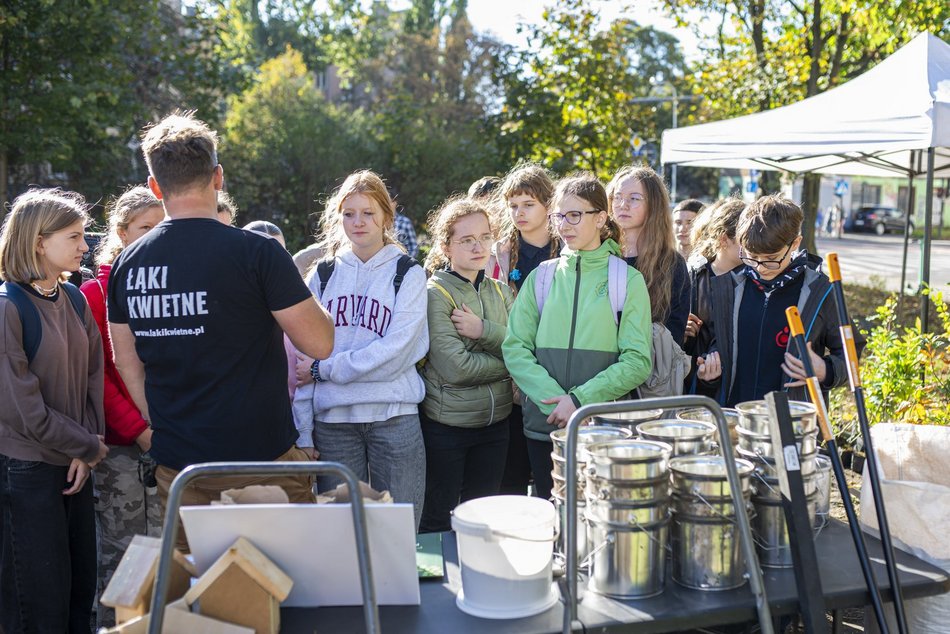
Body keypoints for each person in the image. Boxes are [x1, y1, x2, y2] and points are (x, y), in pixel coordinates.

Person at [107, 112, 334, 528]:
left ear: (155, 187)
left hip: (181, 465)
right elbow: (320, 344)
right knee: (285, 585)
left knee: (198, 585)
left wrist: (161, 427)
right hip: (264, 462)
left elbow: (127, 362)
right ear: (218, 177)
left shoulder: (126, 264)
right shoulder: (258, 253)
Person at [291, 170, 428, 529]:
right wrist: (303, 431)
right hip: (333, 426)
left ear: (386, 215)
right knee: (339, 536)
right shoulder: (321, 275)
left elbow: (396, 352)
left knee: (398, 534)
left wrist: (328, 370)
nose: (358, 222)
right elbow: (302, 361)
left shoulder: (407, 273)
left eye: (368, 212)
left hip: (393, 418)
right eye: (349, 213)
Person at [503, 174, 652, 501]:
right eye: (559, 216)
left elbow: (638, 360)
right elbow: (515, 348)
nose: (565, 225)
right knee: (549, 522)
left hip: (601, 430)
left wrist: (580, 401)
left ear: (600, 218)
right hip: (545, 427)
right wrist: (556, 401)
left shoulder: (627, 280)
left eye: (575, 215)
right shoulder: (541, 278)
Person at [0, 188, 109, 633]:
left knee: (78, 594)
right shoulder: (8, 307)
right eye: (75, 236)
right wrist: (86, 447)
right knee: (37, 607)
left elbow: (92, 380)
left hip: (75, 465)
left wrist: (86, 450)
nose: (85, 246)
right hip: (27, 472)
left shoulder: (77, 299)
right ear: (38, 241)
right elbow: (24, 409)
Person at [79, 186, 165, 627]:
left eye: (160, 227)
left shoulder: (168, 285)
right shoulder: (95, 293)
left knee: (168, 555)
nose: (153, 237)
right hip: (120, 449)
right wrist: (140, 429)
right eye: (143, 229)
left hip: (169, 442)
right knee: (122, 556)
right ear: (121, 232)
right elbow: (102, 379)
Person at [706, 195, 864, 406]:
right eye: (752, 256)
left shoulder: (821, 291)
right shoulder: (732, 286)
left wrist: (825, 370)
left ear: (795, 244)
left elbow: (851, 351)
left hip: (794, 422)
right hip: (737, 417)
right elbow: (723, 342)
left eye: (771, 259)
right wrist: (712, 363)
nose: (760, 267)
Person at [418, 197, 514, 532]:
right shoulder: (435, 293)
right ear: (445, 246)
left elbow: (525, 349)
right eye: (466, 240)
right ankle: (437, 583)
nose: (478, 247)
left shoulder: (502, 292)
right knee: (438, 517)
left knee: (484, 519)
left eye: (485, 237)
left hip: (496, 426)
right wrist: (508, 364)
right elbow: (456, 368)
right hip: (448, 428)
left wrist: (483, 331)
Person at [486, 163, 560, 496]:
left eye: (528, 204)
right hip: (512, 377)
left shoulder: (568, 250)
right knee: (510, 478)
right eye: (513, 206)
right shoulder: (500, 254)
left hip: (556, 369)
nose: (519, 213)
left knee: (551, 477)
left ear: (549, 204)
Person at [607, 165, 691, 349]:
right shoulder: (599, 255)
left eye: (634, 198)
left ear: (654, 204)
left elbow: (672, 335)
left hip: (649, 369)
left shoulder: (671, 263)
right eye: (618, 197)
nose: (623, 205)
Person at [682, 197, 745, 397]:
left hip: (738, 387)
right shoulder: (693, 275)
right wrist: (681, 331)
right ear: (724, 239)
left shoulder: (755, 278)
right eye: (746, 238)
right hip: (692, 384)